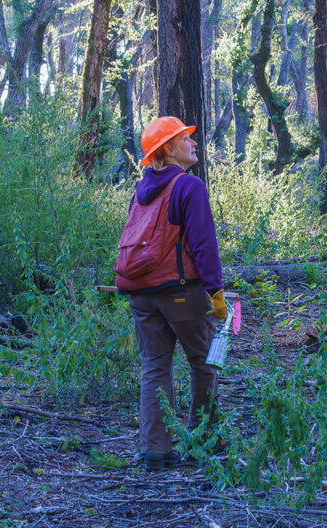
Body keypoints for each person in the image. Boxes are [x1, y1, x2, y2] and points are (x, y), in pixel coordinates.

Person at [114, 116, 227, 471]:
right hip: (181, 292)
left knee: (154, 367)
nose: (192, 143)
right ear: (168, 149)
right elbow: (203, 244)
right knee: (205, 362)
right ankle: (203, 439)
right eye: (184, 138)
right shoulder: (188, 186)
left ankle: (154, 450)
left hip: (142, 295)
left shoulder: (142, 190)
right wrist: (216, 292)